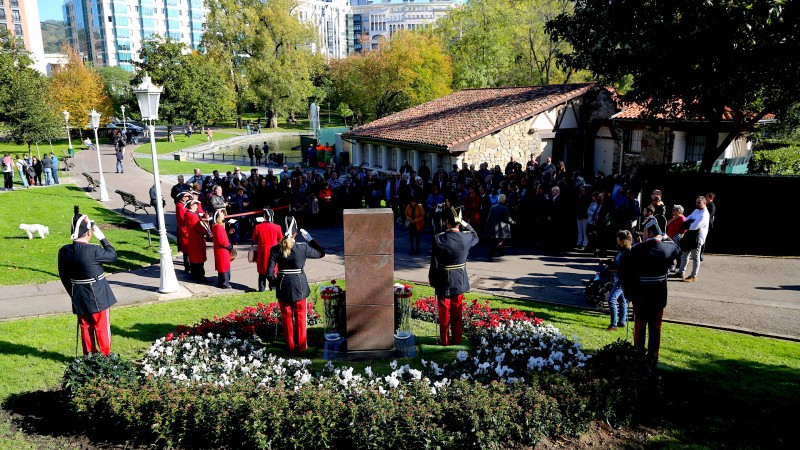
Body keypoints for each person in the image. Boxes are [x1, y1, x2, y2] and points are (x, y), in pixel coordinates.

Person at [620, 222, 682, 365]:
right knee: (655, 328)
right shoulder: (666, 248)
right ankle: (653, 357)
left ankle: (638, 355)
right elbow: (678, 249)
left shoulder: (636, 249)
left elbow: (625, 271)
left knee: (640, 326)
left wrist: (628, 292)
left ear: (647, 233)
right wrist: (666, 237)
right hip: (658, 295)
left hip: (640, 294)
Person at [58, 210, 119, 355]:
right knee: (101, 327)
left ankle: (89, 356)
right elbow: (113, 256)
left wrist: (72, 293)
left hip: (78, 294)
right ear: (89, 233)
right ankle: (105, 357)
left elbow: (63, 276)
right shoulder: (94, 250)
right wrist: (103, 238)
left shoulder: (64, 251)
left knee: (85, 326)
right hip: (97, 294)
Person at [267, 217, 326, 353]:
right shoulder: (303, 247)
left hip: (283, 284)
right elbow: (321, 253)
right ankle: (301, 346)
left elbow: (269, 273)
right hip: (299, 285)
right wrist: (311, 240)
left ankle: (290, 346)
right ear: (295, 234)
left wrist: (276, 283)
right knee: (300, 316)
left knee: (286, 317)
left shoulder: (275, 249)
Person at [428, 207, 480, 346]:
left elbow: (434, 262)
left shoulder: (439, 238)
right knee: (457, 312)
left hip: (443, 279)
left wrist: (432, 279)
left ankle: (444, 341)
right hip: (460, 279)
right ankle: (457, 339)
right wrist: (465, 223)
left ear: (447, 223)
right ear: (458, 223)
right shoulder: (467, 237)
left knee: (444, 313)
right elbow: (476, 235)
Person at [675, 196, 710, 282]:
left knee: (695, 257)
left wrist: (688, 223)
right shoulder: (696, 210)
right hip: (689, 236)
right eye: (696, 202)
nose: (697, 204)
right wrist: (689, 222)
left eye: (699, 202)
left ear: (704, 203)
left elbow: (694, 226)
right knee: (684, 254)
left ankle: (694, 276)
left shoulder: (704, 214)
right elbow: (688, 218)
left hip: (697, 238)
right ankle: (680, 272)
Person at [606, 230, 633, 331]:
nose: (616, 239)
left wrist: (614, 269)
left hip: (623, 280)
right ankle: (621, 322)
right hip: (619, 278)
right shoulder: (622, 249)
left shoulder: (628, 251)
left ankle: (613, 325)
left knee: (611, 299)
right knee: (622, 300)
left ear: (623, 240)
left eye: (618, 237)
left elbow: (627, 269)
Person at [252, 209, 283, 292]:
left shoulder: (258, 227)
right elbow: (281, 240)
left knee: (262, 272)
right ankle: (272, 287)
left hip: (262, 253)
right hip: (274, 253)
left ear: (264, 216)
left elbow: (254, 238)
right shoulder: (277, 227)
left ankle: (261, 288)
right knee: (272, 271)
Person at [184, 199, 209, 283]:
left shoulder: (188, 214)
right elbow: (199, 227)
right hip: (197, 240)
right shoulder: (193, 216)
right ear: (191, 206)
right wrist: (207, 232)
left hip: (192, 239)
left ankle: (195, 275)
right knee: (199, 260)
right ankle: (201, 277)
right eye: (195, 205)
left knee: (194, 259)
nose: (197, 206)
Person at [486, 193, 515, 260]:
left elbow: (489, 218)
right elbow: (507, 219)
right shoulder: (505, 208)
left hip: (494, 227)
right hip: (502, 228)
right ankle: (492, 253)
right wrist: (513, 222)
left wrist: (487, 226)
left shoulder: (493, 207)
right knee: (501, 240)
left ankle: (500, 252)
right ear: (503, 200)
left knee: (495, 241)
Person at [211, 210, 234, 289]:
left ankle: (222, 283)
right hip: (222, 250)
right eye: (222, 214)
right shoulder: (219, 227)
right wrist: (229, 246)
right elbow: (222, 240)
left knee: (222, 266)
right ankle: (225, 284)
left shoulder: (216, 226)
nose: (224, 215)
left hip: (220, 249)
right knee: (224, 267)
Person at [700, 192, 716, 261]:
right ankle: (699, 253)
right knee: (701, 238)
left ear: (710, 198)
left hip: (707, 225)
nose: (705, 198)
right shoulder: (707, 204)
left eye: (706, 197)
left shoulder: (712, 206)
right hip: (704, 224)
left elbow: (709, 216)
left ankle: (701, 254)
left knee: (703, 238)